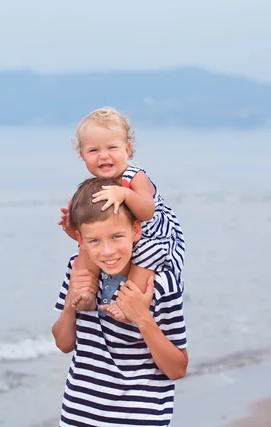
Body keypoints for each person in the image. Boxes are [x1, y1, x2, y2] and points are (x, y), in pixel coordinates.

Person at [52, 177, 188, 427]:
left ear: (135, 230)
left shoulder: (159, 283)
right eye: (94, 241)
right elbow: (63, 343)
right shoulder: (77, 270)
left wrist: (142, 318)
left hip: (139, 419)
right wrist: (71, 303)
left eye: (116, 236)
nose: (107, 251)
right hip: (78, 415)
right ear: (81, 240)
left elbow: (177, 368)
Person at [59, 106, 185, 321]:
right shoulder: (93, 188)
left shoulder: (135, 177)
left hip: (155, 238)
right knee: (85, 251)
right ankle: (85, 293)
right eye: (93, 150)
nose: (104, 156)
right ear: (82, 156)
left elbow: (147, 211)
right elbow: (88, 238)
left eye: (112, 147)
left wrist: (125, 194)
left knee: (147, 253)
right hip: (122, 239)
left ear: (127, 150)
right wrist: (71, 226)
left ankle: (129, 305)